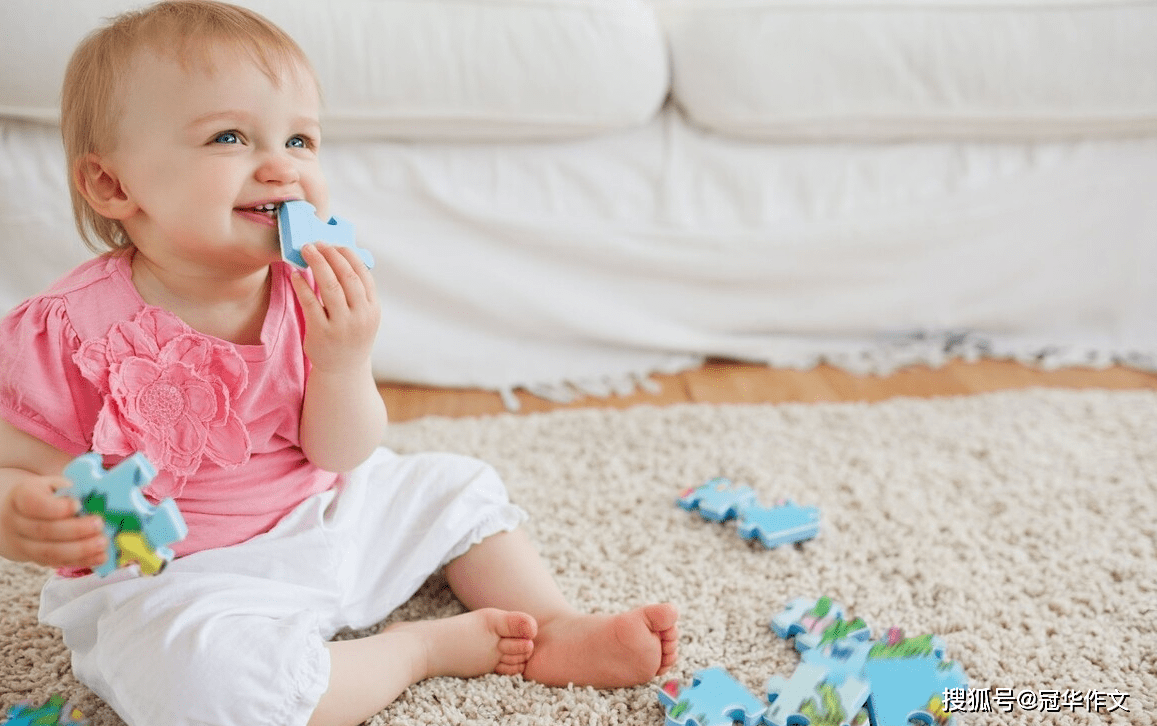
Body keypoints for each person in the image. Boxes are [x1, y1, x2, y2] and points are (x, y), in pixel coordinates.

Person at [0, 3, 678, 725]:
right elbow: (14, 461)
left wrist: (345, 363)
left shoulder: (307, 290)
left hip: (325, 516)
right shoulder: (70, 329)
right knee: (206, 689)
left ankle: (553, 622)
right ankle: (415, 651)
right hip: (179, 581)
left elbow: (343, 452)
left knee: (457, 486)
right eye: (229, 137)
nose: (280, 165)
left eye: (300, 139)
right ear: (113, 186)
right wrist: (17, 511)